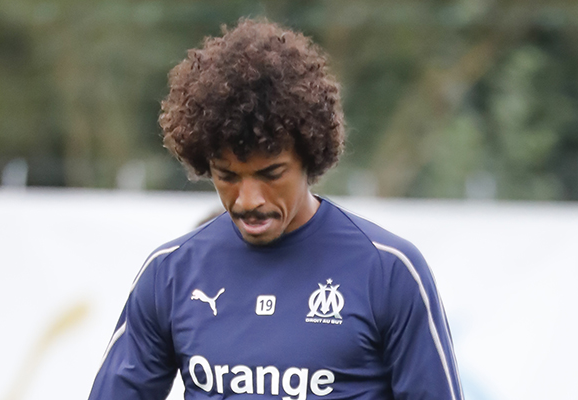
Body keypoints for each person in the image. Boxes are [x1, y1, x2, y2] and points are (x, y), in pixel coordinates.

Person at [89, 18, 463, 400]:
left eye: (271, 174)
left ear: (309, 157)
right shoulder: (169, 273)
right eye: (227, 176)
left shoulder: (389, 271)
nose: (248, 200)